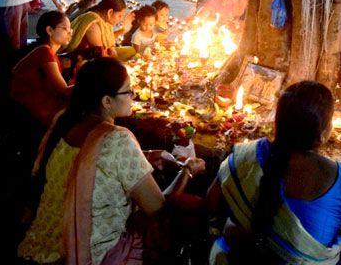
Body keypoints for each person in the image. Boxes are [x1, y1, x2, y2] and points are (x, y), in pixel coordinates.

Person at [18, 57, 206, 264]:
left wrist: (145, 155)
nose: (133, 96)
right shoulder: (118, 138)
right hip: (84, 255)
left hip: (38, 246)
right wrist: (187, 171)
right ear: (107, 101)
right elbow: (158, 208)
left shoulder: (64, 120)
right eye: (128, 91)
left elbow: (88, 157)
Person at [206, 81, 341, 264]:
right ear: (322, 135)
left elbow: (212, 204)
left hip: (239, 258)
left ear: (277, 122)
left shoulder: (244, 157)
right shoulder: (339, 179)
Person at [11, 11, 72, 131]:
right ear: (49, 30)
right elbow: (64, 90)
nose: (69, 32)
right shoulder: (44, 52)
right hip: (29, 106)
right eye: (65, 28)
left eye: (70, 29)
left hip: (36, 100)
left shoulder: (49, 52)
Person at [61, 0, 135, 62]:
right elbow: (101, 54)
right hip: (81, 60)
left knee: (131, 51)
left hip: (98, 54)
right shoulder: (93, 23)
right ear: (110, 12)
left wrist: (123, 30)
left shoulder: (104, 19)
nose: (121, 19)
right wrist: (120, 64)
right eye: (119, 15)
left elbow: (107, 39)